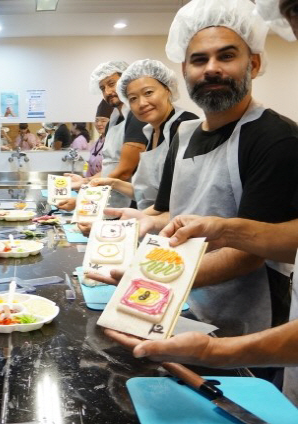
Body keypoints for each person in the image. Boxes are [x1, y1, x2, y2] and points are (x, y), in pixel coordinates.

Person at [104, 0, 298, 406]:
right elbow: (178, 212)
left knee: (239, 405)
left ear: (254, 64)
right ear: (185, 72)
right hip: (188, 305)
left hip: (253, 322)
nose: (211, 68)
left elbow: (251, 254)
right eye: (199, 59)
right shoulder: (186, 134)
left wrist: (152, 282)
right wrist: (142, 222)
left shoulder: (275, 138)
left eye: (226, 55)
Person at [90, 59, 198, 210]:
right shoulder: (151, 132)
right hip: (152, 225)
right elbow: (145, 194)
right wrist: (108, 183)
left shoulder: (185, 126)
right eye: (133, 98)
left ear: (168, 89)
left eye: (148, 93)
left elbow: (187, 201)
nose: (141, 103)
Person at [86, 60, 149, 208]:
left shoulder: (137, 117)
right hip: (112, 198)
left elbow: (124, 172)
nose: (107, 92)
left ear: (126, 81)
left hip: (134, 203)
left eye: (111, 83)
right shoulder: (113, 122)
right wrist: (84, 182)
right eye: (102, 88)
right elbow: (110, 166)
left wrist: (87, 194)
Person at [84, 100, 114, 178]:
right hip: (94, 186)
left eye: (103, 120)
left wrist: (88, 181)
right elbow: (89, 168)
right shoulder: (95, 144)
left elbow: (113, 169)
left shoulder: (114, 142)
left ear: (112, 122)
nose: (99, 124)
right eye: (96, 120)